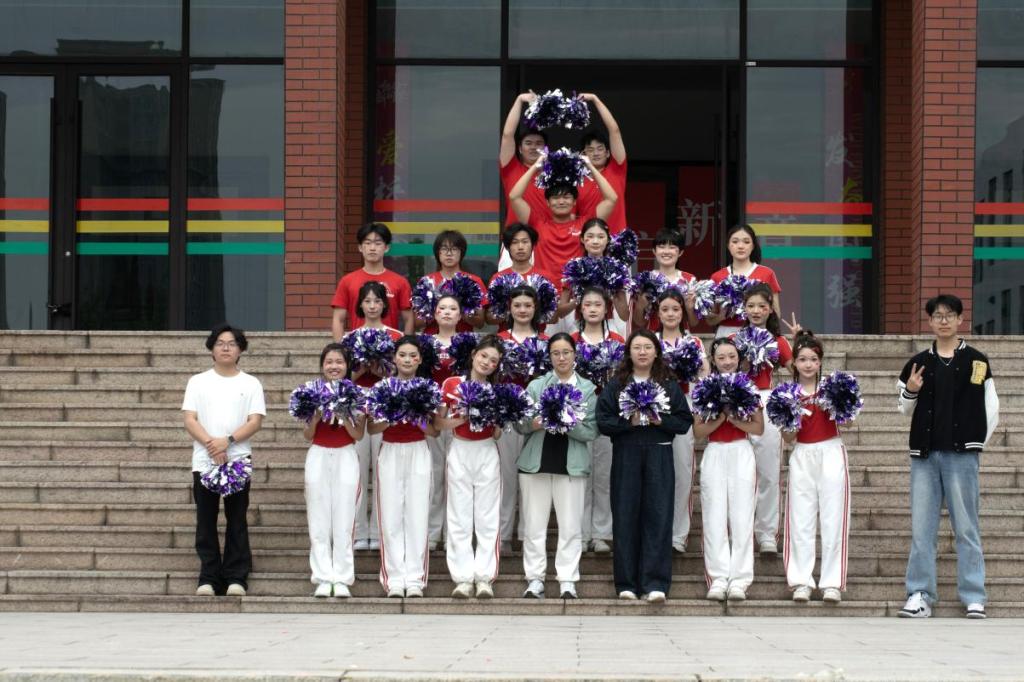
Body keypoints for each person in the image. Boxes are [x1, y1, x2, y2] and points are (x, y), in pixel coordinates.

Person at [896, 294, 999, 620]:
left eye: (949, 315)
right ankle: (919, 595)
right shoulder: (917, 363)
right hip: (925, 457)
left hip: (961, 457)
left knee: (967, 527)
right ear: (929, 321)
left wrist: (974, 444)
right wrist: (911, 389)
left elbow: (991, 409)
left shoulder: (977, 361)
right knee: (922, 529)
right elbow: (903, 408)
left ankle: (974, 596)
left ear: (959, 319)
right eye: (938, 315)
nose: (943, 320)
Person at [596, 329, 693, 602]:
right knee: (625, 515)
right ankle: (626, 583)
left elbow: (684, 421)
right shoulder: (617, 384)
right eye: (637, 347)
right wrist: (628, 422)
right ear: (628, 352)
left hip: (659, 454)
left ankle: (655, 583)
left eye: (647, 347)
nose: (642, 352)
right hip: (626, 454)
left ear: (656, 352)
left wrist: (660, 421)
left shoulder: (668, 384)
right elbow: (603, 421)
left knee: (658, 516)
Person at [182, 324, 266, 597]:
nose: (226, 348)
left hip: (237, 459)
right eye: (220, 343)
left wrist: (227, 441)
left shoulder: (251, 383)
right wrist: (212, 444)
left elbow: (255, 421)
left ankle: (236, 577)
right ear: (212, 349)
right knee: (205, 520)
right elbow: (190, 419)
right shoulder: (198, 381)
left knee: (237, 519)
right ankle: (208, 577)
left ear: (240, 349)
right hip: (205, 461)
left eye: (232, 343)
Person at [516, 333, 598, 599]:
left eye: (566, 352)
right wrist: (535, 423)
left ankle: (567, 579)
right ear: (549, 357)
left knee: (571, 526)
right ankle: (535, 578)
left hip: (571, 466)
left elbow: (591, 431)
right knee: (533, 526)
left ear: (575, 355)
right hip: (536, 464)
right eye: (555, 353)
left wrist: (567, 421)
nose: (561, 358)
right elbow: (520, 424)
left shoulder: (587, 389)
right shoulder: (537, 385)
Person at [434, 334, 507, 599]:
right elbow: (437, 424)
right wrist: (461, 418)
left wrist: (498, 418)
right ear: (474, 354)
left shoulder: (497, 391)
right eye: (484, 356)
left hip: (487, 451)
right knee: (459, 516)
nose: (487, 363)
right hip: (459, 449)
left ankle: (485, 577)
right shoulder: (452, 383)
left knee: (487, 516)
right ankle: (463, 578)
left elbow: (496, 434)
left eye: (493, 361)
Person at [367, 335, 439, 598]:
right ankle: (394, 579)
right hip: (390, 450)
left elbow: (435, 431)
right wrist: (393, 415)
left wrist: (416, 417)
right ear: (394, 358)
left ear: (420, 360)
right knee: (391, 515)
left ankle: (416, 578)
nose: (407, 360)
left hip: (418, 450)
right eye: (402, 355)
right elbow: (371, 428)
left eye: (413, 356)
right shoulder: (381, 387)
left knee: (418, 514)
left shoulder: (428, 388)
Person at [692, 337, 763, 602]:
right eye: (721, 357)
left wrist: (733, 418)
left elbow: (758, 427)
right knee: (714, 517)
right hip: (715, 451)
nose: (727, 362)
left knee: (742, 517)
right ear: (713, 360)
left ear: (739, 358)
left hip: (741, 451)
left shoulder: (748, 386)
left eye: (732, 356)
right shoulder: (704, 388)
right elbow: (698, 431)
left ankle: (740, 580)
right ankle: (718, 578)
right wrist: (721, 417)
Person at [782, 331, 849, 605]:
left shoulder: (833, 388)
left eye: (813, 359)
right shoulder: (786, 394)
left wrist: (840, 403)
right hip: (802, 454)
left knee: (833, 518)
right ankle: (801, 581)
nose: (808, 364)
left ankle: (832, 583)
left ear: (820, 362)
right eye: (802, 359)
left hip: (831, 451)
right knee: (801, 520)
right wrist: (791, 416)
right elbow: (788, 437)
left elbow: (848, 422)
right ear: (794, 363)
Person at [301, 343, 365, 598]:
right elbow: (307, 434)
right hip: (318, 454)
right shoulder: (311, 392)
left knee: (344, 518)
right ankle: (322, 577)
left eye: (339, 362)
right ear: (322, 366)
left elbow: (358, 435)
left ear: (347, 366)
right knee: (318, 519)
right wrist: (315, 417)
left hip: (346, 455)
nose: (334, 366)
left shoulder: (357, 394)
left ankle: (342, 577)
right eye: (329, 362)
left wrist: (344, 413)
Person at [734, 283, 793, 555]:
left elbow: (798, 370)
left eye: (762, 306)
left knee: (769, 470)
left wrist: (801, 341)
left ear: (770, 309)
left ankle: (767, 533)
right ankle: (740, 530)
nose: (756, 311)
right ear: (743, 309)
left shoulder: (778, 341)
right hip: (739, 399)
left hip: (767, 400)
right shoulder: (734, 339)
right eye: (751, 306)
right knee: (739, 472)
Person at [344, 281, 404, 551]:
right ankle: (358, 531)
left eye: (377, 301)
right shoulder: (349, 338)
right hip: (356, 402)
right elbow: (341, 376)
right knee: (357, 467)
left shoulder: (396, 336)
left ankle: (380, 532)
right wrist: (362, 369)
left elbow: (402, 373)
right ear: (360, 305)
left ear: (384, 304)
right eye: (367, 301)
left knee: (383, 469)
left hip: (385, 401)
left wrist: (380, 370)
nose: (372, 306)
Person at [495, 285, 549, 552]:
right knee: (505, 475)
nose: (523, 310)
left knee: (532, 476)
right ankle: (503, 534)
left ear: (535, 308)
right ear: (510, 308)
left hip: (535, 416)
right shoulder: (499, 340)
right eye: (517, 305)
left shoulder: (546, 341)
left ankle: (529, 534)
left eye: (528, 305)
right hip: (506, 415)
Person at [655, 289, 709, 554]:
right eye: (665, 309)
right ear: (658, 313)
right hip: (653, 407)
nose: (670, 314)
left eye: (675, 309)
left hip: (683, 406)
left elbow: (704, 376)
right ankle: (656, 531)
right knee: (654, 472)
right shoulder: (650, 341)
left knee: (683, 469)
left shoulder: (693, 342)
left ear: (682, 313)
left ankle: (679, 535)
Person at [572, 287, 625, 553]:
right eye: (587, 304)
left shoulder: (617, 340)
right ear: (580, 309)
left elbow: (625, 378)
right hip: (577, 411)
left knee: (604, 474)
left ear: (607, 309)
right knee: (580, 472)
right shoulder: (571, 340)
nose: (592, 309)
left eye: (598, 304)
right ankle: (579, 534)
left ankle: (601, 533)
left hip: (608, 411)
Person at [508, 152, 617, 281]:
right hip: (545, 288)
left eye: (566, 197)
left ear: (574, 201)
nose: (561, 202)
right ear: (548, 202)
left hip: (576, 288)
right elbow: (514, 197)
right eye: (555, 198)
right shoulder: (537, 223)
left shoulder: (586, 224)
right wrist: (536, 166)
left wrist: (590, 166)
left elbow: (611, 199)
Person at [330, 222, 413, 339]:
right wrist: (340, 348)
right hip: (358, 345)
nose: (372, 248)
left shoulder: (400, 282)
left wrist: (406, 346)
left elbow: (408, 319)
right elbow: (338, 319)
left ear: (386, 247)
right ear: (360, 247)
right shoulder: (347, 281)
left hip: (390, 345)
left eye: (378, 243)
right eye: (367, 243)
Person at [425, 294, 463, 550]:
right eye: (442, 308)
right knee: (435, 472)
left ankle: (453, 533)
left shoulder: (468, 343)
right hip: (433, 412)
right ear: (435, 314)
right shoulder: (425, 343)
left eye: (453, 308)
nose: (447, 312)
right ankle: (432, 532)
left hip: (459, 412)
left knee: (457, 474)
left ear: (460, 315)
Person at [707, 224, 782, 338]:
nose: (741, 246)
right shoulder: (717, 277)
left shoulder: (767, 273)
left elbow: (776, 313)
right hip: (726, 334)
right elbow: (710, 320)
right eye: (735, 242)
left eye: (746, 242)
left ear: (753, 246)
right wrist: (721, 316)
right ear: (728, 245)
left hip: (758, 333)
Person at [486, 223, 564, 330]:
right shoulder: (498, 278)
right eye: (515, 242)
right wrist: (508, 310)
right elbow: (489, 319)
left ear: (532, 245)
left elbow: (554, 318)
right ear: (508, 247)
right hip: (506, 336)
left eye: (525, 242)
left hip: (537, 336)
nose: (520, 247)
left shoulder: (546, 278)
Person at [574, 95, 628, 234]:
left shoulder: (616, 169)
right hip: (590, 241)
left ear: (608, 153)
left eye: (600, 149)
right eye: (590, 150)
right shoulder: (576, 181)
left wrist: (595, 99)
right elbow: (572, 217)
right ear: (583, 154)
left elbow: (614, 131)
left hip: (617, 239)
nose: (596, 153)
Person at [420, 230, 488, 332]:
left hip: (464, 339)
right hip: (432, 339)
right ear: (438, 252)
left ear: (461, 252)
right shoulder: (426, 282)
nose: (449, 253)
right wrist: (437, 307)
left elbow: (480, 323)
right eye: (444, 248)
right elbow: (417, 322)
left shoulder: (473, 282)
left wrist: (461, 309)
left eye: (454, 249)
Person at [632, 228, 699, 332]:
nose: (666, 252)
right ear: (654, 251)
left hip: (681, 337)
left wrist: (690, 309)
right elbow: (639, 322)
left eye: (672, 247)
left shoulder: (689, 280)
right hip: (653, 337)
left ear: (680, 252)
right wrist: (640, 306)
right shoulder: (645, 280)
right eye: (661, 247)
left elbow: (694, 323)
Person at [499, 93, 549, 230]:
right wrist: (520, 100)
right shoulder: (511, 168)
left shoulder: (554, 175)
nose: (533, 147)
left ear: (546, 149)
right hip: (515, 236)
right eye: (528, 143)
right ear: (520, 149)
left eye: (538, 143)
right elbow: (507, 135)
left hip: (546, 237)